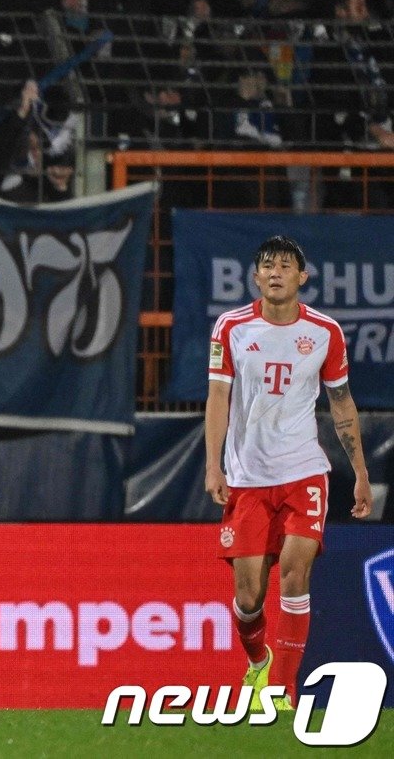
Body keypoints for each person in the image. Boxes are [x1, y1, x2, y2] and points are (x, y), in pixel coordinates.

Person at [205, 235, 372, 710]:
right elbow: (218, 397)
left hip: (304, 472)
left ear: (302, 277)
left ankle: (282, 687)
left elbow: (341, 403)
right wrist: (212, 464)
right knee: (249, 596)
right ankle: (257, 664)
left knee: (296, 577)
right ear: (256, 277)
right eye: (267, 265)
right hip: (247, 476)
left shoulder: (325, 332)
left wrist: (359, 470)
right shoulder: (231, 327)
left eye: (285, 265)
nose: (275, 271)